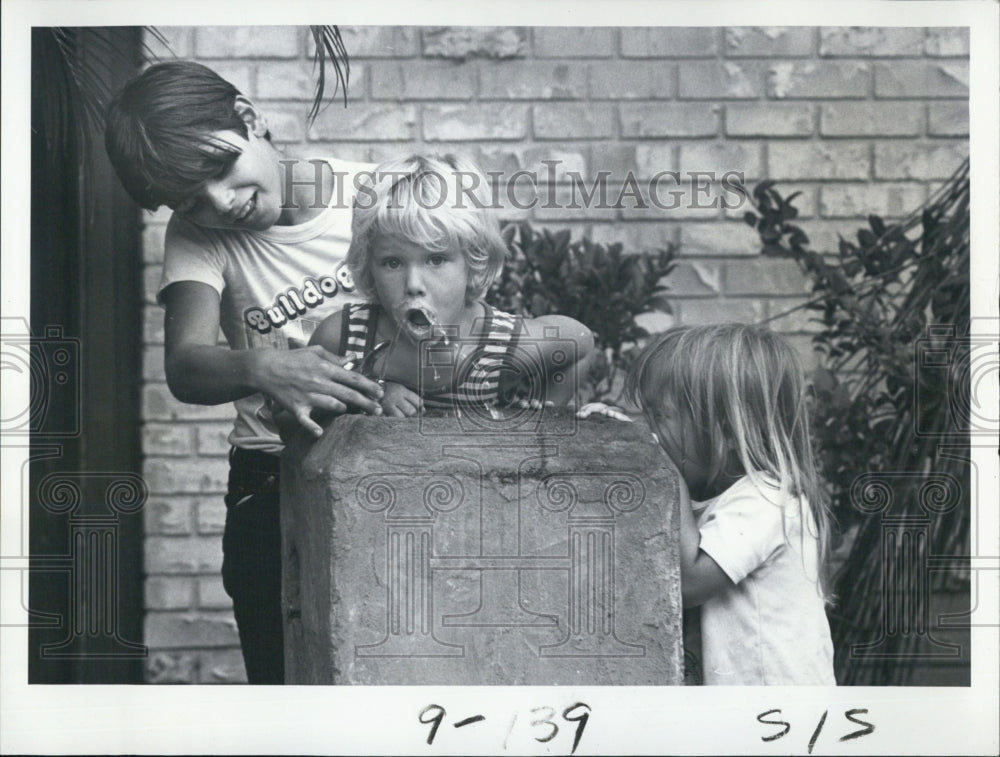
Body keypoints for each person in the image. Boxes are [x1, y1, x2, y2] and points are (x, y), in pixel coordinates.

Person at [104, 60, 385, 684]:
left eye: (218, 170)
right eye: (189, 201)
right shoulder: (196, 237)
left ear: (249, 120)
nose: (220, 204)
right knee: (281, 677)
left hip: (384, 461)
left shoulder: (372, 197)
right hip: (268, 478)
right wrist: (265, 367)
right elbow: (186, 365)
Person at [625, 324, 836, 685]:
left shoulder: (768, 498)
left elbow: (688, 583)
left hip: (780, 709)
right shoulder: (726, 496)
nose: (651, 432)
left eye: (659, 416)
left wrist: (664, 472)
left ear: (724, 428)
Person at [310, 154, 594, 415]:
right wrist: (374, 393)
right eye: (392, 263)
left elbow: (580, 343)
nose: (413, 284)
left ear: (474, 261)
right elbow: (303, 417)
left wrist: (544, 413)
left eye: (435, 260)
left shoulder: (500, 346)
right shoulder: (344, 337)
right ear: (369, 266)